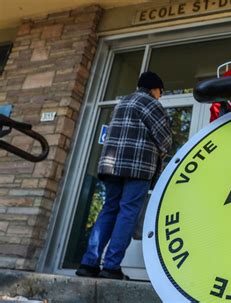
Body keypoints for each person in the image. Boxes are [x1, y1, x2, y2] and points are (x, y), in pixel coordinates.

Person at [76, 71, 172, 280]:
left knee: (109, 209)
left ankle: (88, 263)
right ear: (154, 88)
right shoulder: (151, 103)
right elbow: (164, 139)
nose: (160, 96)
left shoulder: (122, 102)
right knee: (128, 212)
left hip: (112, 167)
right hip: (138, 168)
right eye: (160, 91)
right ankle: (111, 266)